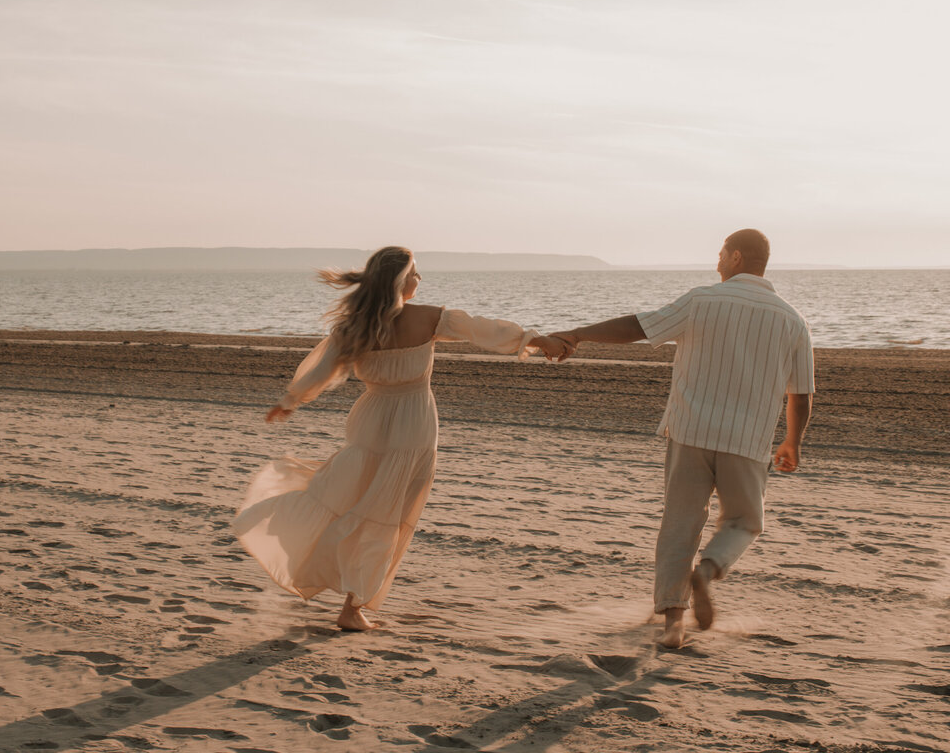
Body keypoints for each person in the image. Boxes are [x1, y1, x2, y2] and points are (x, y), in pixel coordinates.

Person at [232, 246, 573, 631]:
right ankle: (353, 605)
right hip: (413, 424)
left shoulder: (353, 326)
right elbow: (483, 329)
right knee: (389, 516)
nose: (419, 280)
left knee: (353, 500)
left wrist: (291, 400)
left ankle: (344, 589)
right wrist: (535, 339)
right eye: (414, 273)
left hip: (370, 420)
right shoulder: (429, 318)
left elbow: (321, 371)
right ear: (398, 280)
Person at [549, 229, 814, 648]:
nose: (717, 262)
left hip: (690, 430)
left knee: (680, 524)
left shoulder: (702, 299)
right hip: (747, 440)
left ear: (737, 257)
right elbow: (800, 393)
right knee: (745, 521)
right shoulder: (792, 318)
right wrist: (792, 442)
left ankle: (673, 621)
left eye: (721, 254)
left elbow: (639, 326)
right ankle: (706, 572)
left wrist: (579, 333)